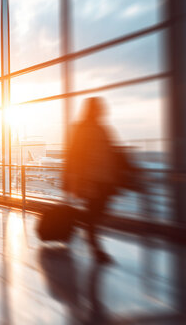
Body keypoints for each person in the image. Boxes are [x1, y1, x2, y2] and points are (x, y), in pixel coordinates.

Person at [64, 97, 120, 263]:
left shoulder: (101, 129)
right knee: (95, 213)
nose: (102, 110)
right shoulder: (85, 129)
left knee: (97, 212)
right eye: (99, 107)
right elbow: (76, 156)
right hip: (92, 179)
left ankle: (78, 220)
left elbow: (110, 153)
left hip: (103, 178)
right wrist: (78, 181)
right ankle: (96, 249)